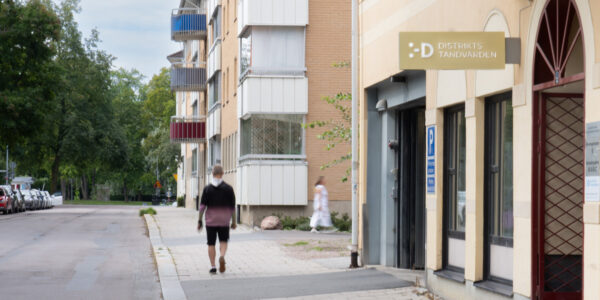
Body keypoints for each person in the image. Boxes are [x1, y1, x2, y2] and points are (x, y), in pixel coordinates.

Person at [197, 165, 237, 274]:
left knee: (211, 243)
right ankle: (222, 256)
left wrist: (199, 221)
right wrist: (234, 221)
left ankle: (213, 266)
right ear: (222, 173)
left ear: (212, 174)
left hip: (211, 221)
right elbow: (232, 207)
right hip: (224, 221)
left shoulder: (207, 189)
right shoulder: (229, 189)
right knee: (223, 241)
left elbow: (202, 207)